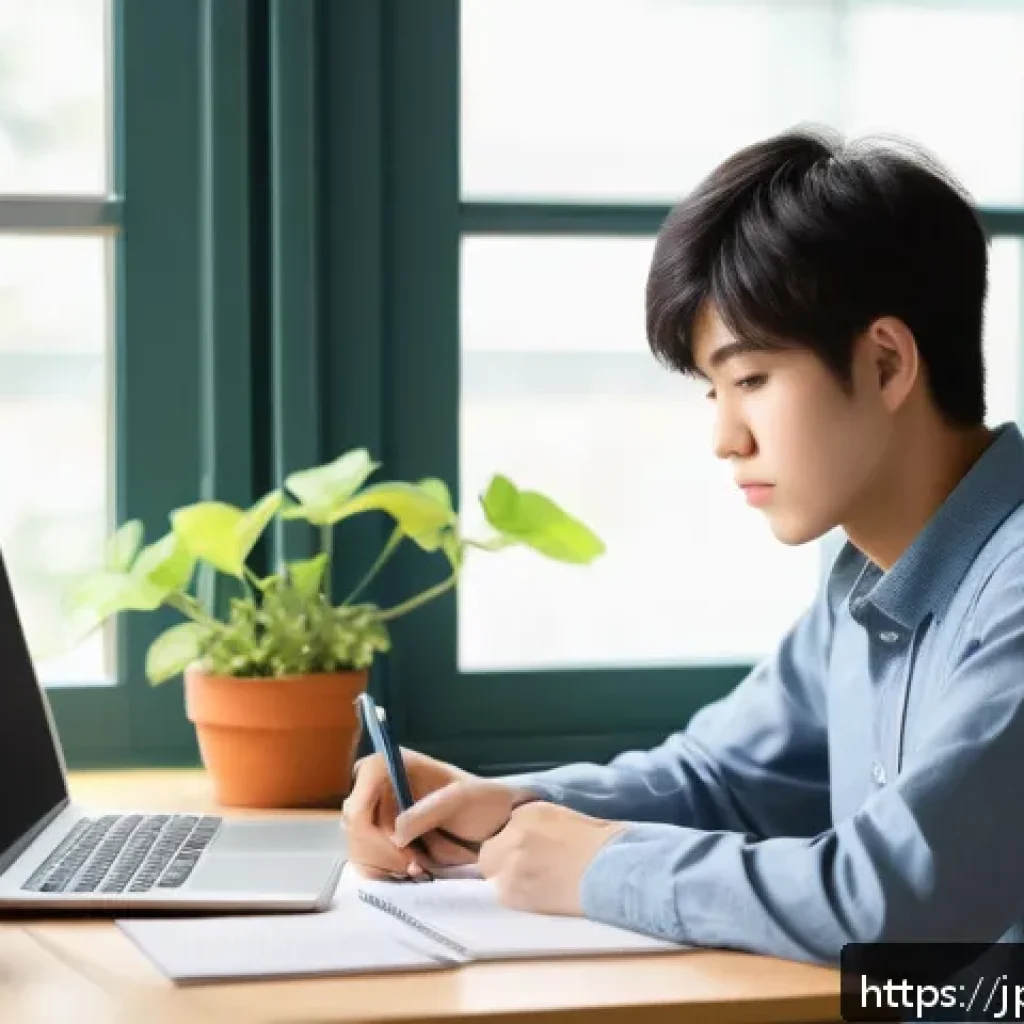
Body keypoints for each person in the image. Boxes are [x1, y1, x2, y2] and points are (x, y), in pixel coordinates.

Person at [342, 125, 1024, 968]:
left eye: (751, 380)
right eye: (714, 391)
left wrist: (601, 867)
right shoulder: (864, 579)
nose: (726, 438)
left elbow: (891, 901)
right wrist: (509, 805)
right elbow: (721, 778)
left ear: (886, 363)